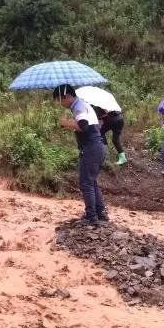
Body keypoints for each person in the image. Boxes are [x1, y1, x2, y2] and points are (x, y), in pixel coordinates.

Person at [54, 84, 108, 226]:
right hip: (97, 146)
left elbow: (83, 126)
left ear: (67, 96)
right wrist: (70, 123)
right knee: (92, 182)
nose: (60, 103)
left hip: (92, 148)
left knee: (86, 183)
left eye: (60, 100)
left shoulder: (79, 106)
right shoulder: (81, 105)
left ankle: (91, 217)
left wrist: (66, 123)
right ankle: (100, 213)